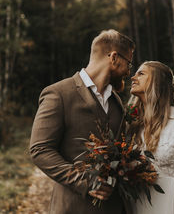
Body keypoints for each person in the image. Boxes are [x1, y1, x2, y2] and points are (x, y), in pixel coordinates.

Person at [29, 29, 135, 214]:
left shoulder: (116, 102)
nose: (129, 72)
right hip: (74, 207)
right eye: (129, 63)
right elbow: (40, 150)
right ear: (114, 57)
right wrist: (86, 182)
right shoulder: (58, 94)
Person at [128, 61, 174, 214]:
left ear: (156, 81)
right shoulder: (131, 124)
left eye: (141, 74)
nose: (133, 78)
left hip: (170, 205)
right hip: (137, 206)